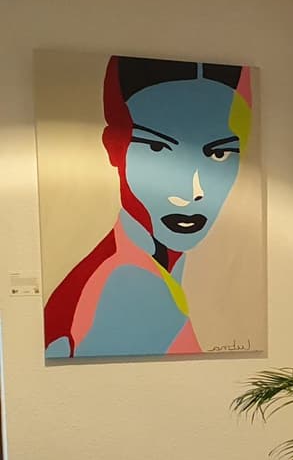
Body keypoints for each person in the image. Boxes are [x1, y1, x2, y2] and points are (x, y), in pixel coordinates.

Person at [44, 57, 251, 359]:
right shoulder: (123, 283)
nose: (192, 192)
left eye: (219, 155)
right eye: (157, 149)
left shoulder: (161, 272)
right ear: (115, 148)